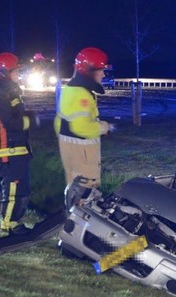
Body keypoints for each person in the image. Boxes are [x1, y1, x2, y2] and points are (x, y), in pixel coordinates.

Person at [0, 52, 39, 235]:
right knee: (12, 189)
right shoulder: (2, 95)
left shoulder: (10, 93)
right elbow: (12, 123)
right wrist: (30, 120)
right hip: (8, 151)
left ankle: (16, 221)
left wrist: (27, 118)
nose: (18, 74)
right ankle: (8, 224)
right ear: (4, 72)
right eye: (15, 71)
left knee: (22, 189)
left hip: (17, 149)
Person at [54, 47, 115, 194]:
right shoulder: (82, 94)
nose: (102, 74)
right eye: (100, 70)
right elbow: (81, 128)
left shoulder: (70, 88)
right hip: (83, 156)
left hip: (72, 151)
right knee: (85, 197)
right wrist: (105, 127)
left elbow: (59, 123)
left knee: (74, 193)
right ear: (89, 71)